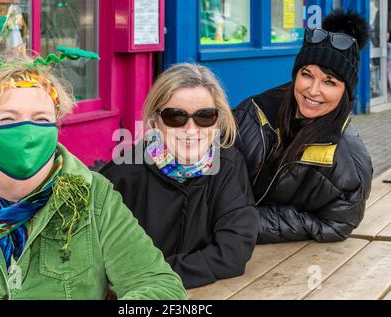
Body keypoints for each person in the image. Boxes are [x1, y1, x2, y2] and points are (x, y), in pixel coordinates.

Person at [0, 16, 187, 300]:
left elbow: (161, 288)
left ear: (56, 127)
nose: (27, 133)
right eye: (8, 118)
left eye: (40, 119)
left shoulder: (96, 196)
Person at [101, 63, 259, 289]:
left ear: (217, 122)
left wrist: (156, 274)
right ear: (156, 122)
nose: (191, 129)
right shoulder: (124, 173)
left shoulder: (228, 165)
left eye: (205, 116)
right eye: (176, 117)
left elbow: (233, 250)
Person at [233, 10, 373, 243]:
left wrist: (247, 221)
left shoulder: (349, 161)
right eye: (307, 75)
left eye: (329, 82)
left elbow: (337, 225)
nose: (313, 90)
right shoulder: (253, 112)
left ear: (345, 92)